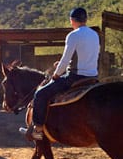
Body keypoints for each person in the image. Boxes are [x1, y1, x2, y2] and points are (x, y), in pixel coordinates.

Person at [19, 7, 100, 140]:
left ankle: (37, 129)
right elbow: (88, 57)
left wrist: (56, 74)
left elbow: (65, 59)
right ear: (85, 20)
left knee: (40, 94)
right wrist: (65, 65)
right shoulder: (94, 35)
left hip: (75, 77)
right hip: (93, 77)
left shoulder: (73, 35)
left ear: (72, 20)